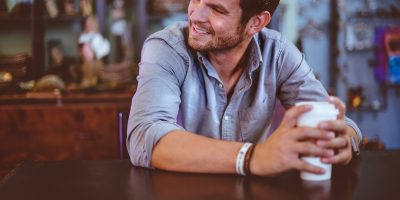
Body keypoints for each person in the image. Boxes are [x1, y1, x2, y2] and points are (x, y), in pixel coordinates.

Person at [127, 0, 362, 176]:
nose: (195, 15)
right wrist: (252, 157)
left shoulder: (278, 53)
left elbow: (342, 126)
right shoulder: (167, 47)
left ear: (255, 23)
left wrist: (343, 139)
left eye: (217, 9)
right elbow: (145, 137)